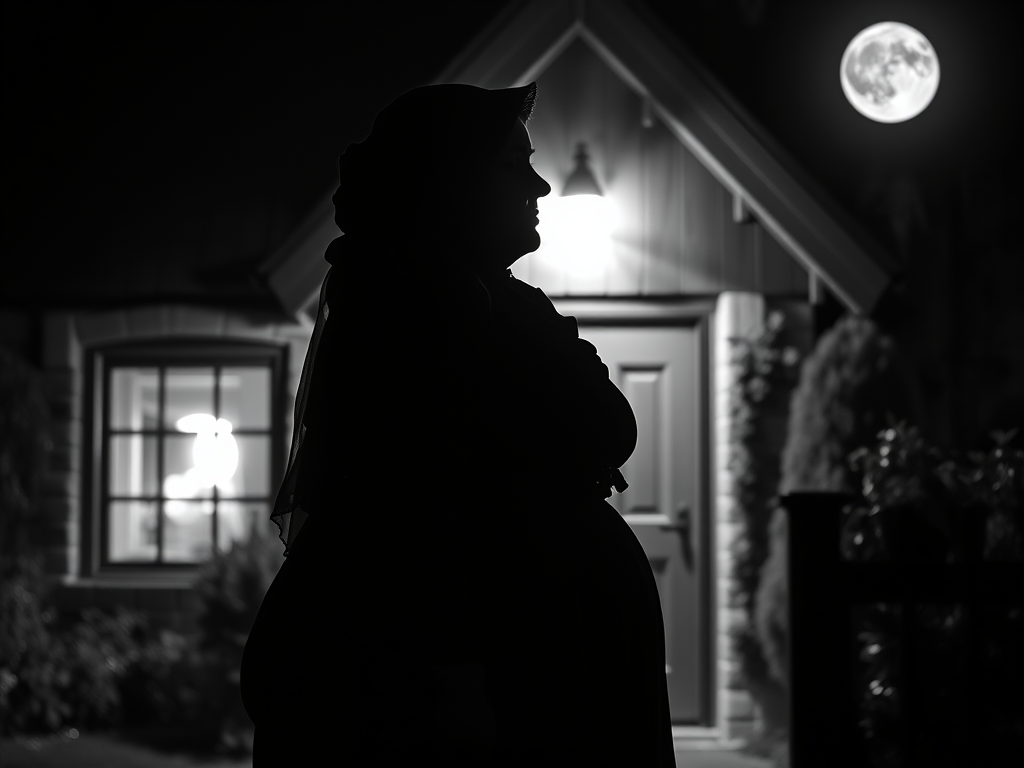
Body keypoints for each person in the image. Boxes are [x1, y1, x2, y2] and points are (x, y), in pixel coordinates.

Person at [240, 82, 675, 767]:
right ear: (451, 179)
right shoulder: (427, 310)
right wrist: (456, 676)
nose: (539, 185)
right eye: (512, 163)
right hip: (505, 669)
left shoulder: (463, 298)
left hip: (545, 649)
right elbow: (417, 506)